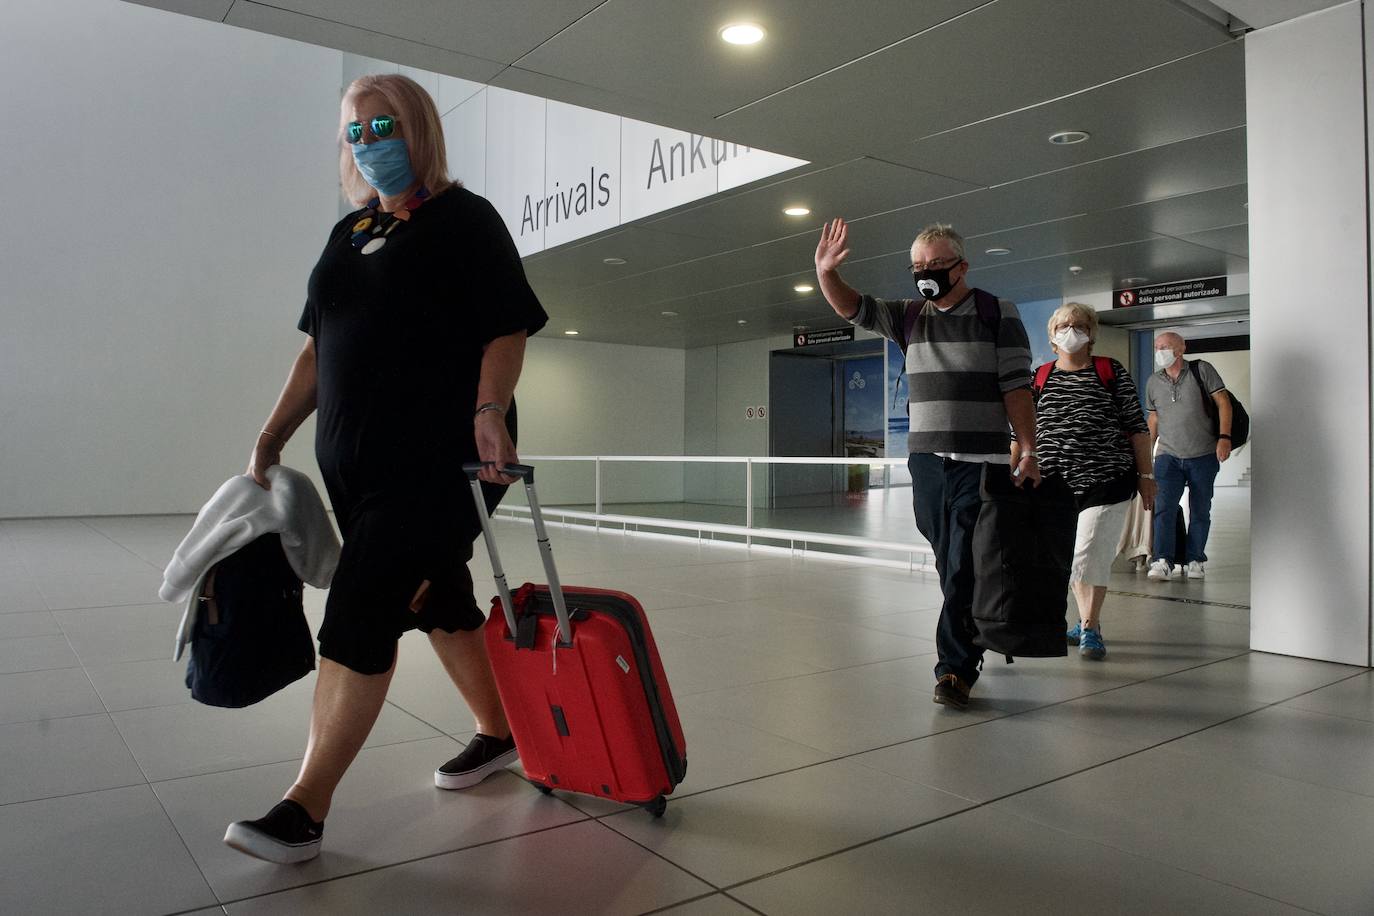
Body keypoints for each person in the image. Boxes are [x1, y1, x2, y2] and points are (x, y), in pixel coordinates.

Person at [222, 74, 548, 864]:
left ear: (420, 131)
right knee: (437, 595)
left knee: (363, 606)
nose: (370, 143)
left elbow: (508, 326)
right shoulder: (349, 234)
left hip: (442, 458)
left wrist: (489, 411)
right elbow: (317, 347)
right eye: (355, 131)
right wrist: (272, 431)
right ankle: (501, 733)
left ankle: (306, 805)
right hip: (357, 475)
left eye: (385, 126)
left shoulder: (465, 220)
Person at [815, 219, 1036, 709]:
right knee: (948, 560)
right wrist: (825, 272)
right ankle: (974, 631)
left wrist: (1028, 446)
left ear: (962, 266)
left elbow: (1016, 385)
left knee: (959, 564)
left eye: (935, 265)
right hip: (927, 462)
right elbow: (855, 307)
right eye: (917, 267)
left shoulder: (995, 311)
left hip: (980, 460)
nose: (925, 274)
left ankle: (954, 670)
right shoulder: (910, 315)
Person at [1023, 304, 1154, 660]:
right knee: (1070, 555)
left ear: (1092, 334)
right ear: (1051, 336)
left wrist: (1146, 476)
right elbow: (1022, 431)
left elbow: (1137, 428)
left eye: (1079, 325)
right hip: (1053, 485)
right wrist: (1017, 468)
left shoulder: (1109, 370)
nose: (1071, 330)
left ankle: (1091, 627)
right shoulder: (1040, 376)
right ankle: (1083, 621)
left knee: (1087, 551)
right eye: (1063, 325)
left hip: (1107, 478)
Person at [1145, 331, 1232, 581]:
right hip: (1167, 456)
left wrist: (1224, 438)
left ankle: (1195, 559)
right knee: (1164, 508)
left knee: (1200, 509)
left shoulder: (1202, 370)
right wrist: (1147, 451)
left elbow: (1223, 402)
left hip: (1203, 453)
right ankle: (1162, 560)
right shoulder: (1153, 382)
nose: (1160, 351)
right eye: (1157, 347)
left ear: (1181, 349)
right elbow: (1154, 417)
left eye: (1166, 346)